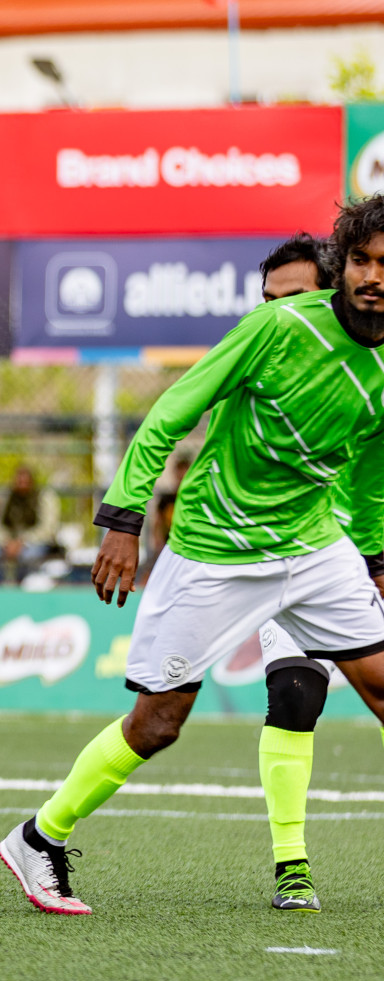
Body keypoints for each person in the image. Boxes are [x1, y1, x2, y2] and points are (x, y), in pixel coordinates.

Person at [0, 198, 384, 916]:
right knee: (158, 724)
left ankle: (290, 867)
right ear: (344, 265)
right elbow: (172, 410)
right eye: (362, 260)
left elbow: (370, 472)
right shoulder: (275, 328)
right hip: (216, 549)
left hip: (311, 543)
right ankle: (39, 836)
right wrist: (121, 517)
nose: (372, 277)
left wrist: (375, 557)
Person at [241, 232, 346, 913]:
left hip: (373, 555)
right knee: (295, 700)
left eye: (298, 298)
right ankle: (292, 866)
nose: (281, 315)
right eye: (269, 302)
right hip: (302, 560)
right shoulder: (255, 371)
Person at [0, 465, 59, 584]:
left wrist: (22, 542)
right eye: (19, 481)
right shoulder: (6, 497)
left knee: (28, 557)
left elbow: (47, 528)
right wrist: (6, 542)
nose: (22, 485)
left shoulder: (43, 497)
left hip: (35, 543)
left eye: (25, 481)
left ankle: (22, 589)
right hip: (8, 542)